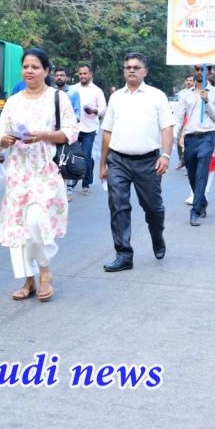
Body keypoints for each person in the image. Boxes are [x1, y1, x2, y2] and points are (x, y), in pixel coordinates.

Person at [0, 48, 78, 302]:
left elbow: (71, 132)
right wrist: (5, 139)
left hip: (45, 171)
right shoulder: (14, 101)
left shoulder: (57, 98)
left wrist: (43, 135)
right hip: (18, 172)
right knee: (19, 227)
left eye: (35, 67)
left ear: (46, 71)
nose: (29, 71)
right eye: (26, 67)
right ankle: (28, 279)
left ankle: (45, 271)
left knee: (35, 221)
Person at [100, 53, 175, 272]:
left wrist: (165, 156)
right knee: (118, 206)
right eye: (128, 67)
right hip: (118, 161)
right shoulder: (116, 97)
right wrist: (103, 164)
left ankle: (157, 235)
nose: (131, 70)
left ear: (145, 72)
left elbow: (167, 127)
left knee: (153, 208)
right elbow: (107, 132)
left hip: (148, 162)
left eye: (136, 67)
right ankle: (124, 254)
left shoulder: (157, 96)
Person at [175, 65, 215, 226]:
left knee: (202, 173)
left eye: (202, 69)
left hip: (207, 137)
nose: (199, 72)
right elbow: (178, 118)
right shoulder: (185, 94)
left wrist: (207, 102)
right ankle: (202, 202)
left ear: (209, 72)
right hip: (190, 138)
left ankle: (194, 211)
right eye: (196, 69)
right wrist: (174, 137)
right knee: (192, 174)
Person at [69, 63, 107, 195]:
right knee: (72, 156)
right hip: (74, 128)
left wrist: (95, 110)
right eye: (80, 74)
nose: (82, 76)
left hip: (89, 129)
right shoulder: (72, 89)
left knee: (86, 156)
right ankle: (71, 182)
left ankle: (86, 184)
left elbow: (103, 108)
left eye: (85, 73)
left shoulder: (97, 91)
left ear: (90, 74)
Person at [53, 65, 82, 199]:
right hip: (52, 133)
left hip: (67, 132)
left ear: (67, 78)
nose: (59, 77)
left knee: (66, 159)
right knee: (54, 160)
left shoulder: (73, 93)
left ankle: (68, 190)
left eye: (62, 75)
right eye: (57, 75)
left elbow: (77, 112)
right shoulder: (50, 92)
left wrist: (69, 122)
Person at [175, 74, 195, 169]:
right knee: (179, 140)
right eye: (187, 80)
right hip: (181, 121)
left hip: (191, 120)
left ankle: (188, 161)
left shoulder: (195, 93)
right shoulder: (181, 93)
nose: (189, 82)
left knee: (189, 141)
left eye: (191, 80)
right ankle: (181, 159)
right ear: (185, 81)